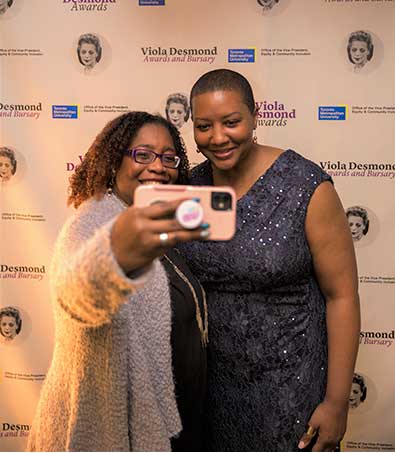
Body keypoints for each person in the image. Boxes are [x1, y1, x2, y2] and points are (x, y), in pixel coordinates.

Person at [177, 69, 361, 452]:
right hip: (210, 393)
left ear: (255, 116)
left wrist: (337, 402)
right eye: (204, 126)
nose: (218, 138)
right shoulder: (189, 191)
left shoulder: (305, 186)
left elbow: (341, 296)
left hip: (290, 390)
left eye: (231, 122)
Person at [27, 112, 209, 452]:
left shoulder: (162, 232)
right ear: (113, 162)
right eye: (142, 154)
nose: (158, 166)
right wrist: (114, 256)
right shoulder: (93, 224)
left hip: (178, 422)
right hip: (117, 432)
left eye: (169, 158)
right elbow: (79, 290)